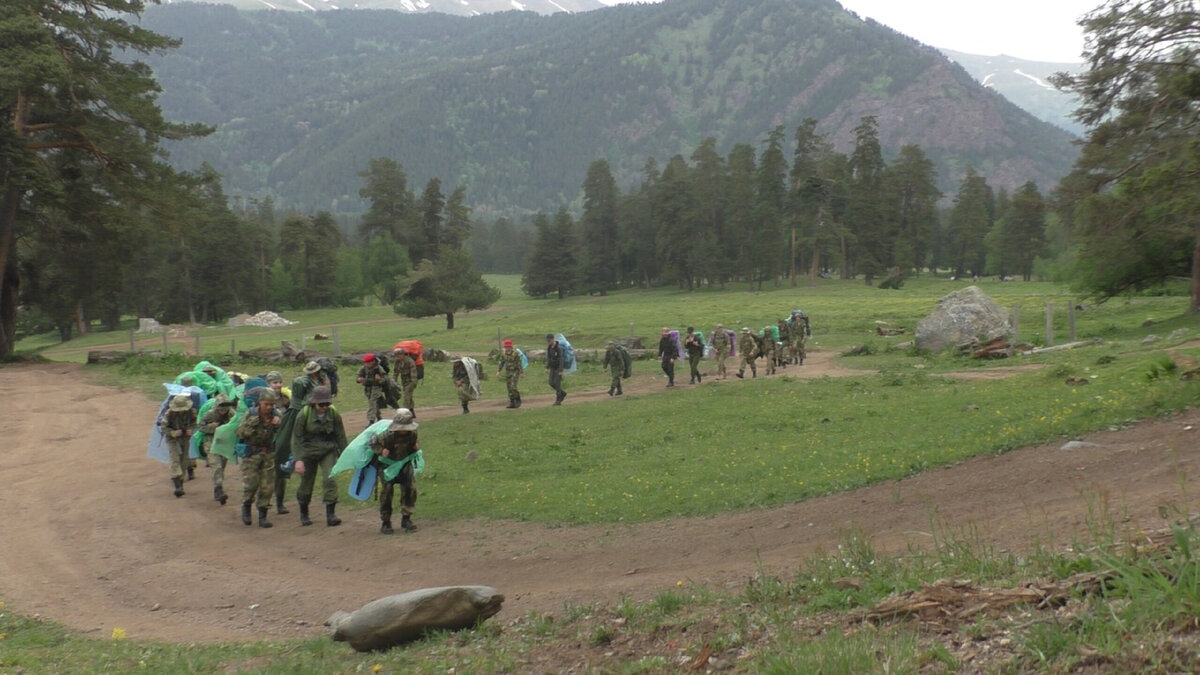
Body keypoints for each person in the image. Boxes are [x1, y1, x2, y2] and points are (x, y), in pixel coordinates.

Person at [274, 360, 327, 516]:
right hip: (297, 417)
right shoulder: (302, 382)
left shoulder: (318, 381)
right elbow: (304, 400)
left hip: (312, 418)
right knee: (282, 452)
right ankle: (279, 500)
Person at [290, 385, 345, 527]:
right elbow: (297, 439)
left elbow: (340, 436)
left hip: (327, 450)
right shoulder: (304, 415)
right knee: (306, 483)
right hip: (308, 452)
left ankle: (331, 514)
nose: (324, 407)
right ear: (314, 402)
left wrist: (344, 455)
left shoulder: (333, 414)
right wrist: (298, 460)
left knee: (330, 479)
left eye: (327, 404)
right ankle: (304, 512)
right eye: (321, 404)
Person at [368, 408, 421, 534]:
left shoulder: (412, 434)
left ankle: (406, 518)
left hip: (405, 465)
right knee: (386, 493)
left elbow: (413, 447)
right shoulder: (385, 436)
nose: (404, 430)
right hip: (387, 467)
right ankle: (386, 522)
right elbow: (372, 444)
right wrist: (381, 451)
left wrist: (415, 447)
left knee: (410, 490)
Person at [235, 389, 281, 528]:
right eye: (266, 404)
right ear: (260, 403)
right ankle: (246, 506)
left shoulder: (276, 415)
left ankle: (263, 515)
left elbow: (281, 435)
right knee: (251, 484)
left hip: (268, 454)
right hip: (252, 454)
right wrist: (250, 425)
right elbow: (239, 433)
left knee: (267, 486)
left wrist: (278, 426)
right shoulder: (251, 414)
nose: (269, 407)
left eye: (272, 404)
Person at [199, 394, 237, 505]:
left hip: (224, 442)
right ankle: (219, 490)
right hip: (210, 441)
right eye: (221, 408)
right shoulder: (209, 414)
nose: (223, 411)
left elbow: (237, 424)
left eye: (226, 408)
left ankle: (218, 486)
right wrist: (212, 427)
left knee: (222, 465)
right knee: (217, 465)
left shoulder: (231, 414)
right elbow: (200, 427)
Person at [159, 394, 197, 498]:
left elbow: (197, 424)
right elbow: (163, 427)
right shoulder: (168, 414)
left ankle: (180, 482)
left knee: (184, 460)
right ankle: (177, 486)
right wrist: (173, 433)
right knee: (175, 459)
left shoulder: (191, 412)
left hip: (185, 438)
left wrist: (191, 430)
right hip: (172, 439)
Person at [355, 353, 389, 425]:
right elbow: (358, 375)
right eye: (366, 363)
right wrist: (358, 379)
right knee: (373, 403)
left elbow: (385, 379)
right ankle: (378, 416)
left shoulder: (379, 368)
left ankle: (371, 420)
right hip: (368, 387)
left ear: (373, 361)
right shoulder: (364, 368)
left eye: (369, 363)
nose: (367, 365)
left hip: (376, 387)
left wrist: (379, 379)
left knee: (372, 402)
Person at [497, 339, 524, 408]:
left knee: (513, 386)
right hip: (508, 372)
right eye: (506, 347)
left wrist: (521, 372)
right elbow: (501, 362)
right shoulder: (504, 354)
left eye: (508, 347)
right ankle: (512, 402)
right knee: (509, 387)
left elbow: (519, 364)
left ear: (511, 347)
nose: (507, 348)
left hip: (515, 371)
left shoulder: (515, 354)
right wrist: (498, 371)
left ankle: (518, 399)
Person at [392, 346, 418, 416]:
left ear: (402, 354)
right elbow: (396, 372)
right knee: (409, 396)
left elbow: (413, 372)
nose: (396, 357)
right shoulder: (398, 362)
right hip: (404, 381)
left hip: (410, 381)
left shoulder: (409, 361)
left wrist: (413, 383)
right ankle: (411, 411)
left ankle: (404, 413)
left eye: (398, 355)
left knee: (406, 396)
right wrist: (394, 381)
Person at [545, 333, 567, 405]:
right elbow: (549, 358)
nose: (549, 342)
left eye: (550, 340)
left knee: (557, 384)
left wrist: (561, 370)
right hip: (552, 367)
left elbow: (561, 359)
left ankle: (558, 400)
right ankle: (562, 393)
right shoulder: (549, 348)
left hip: (558, 368)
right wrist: (547, 367)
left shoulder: (558, 348)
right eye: (547, 341)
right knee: (551, 383)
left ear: (553, 339)